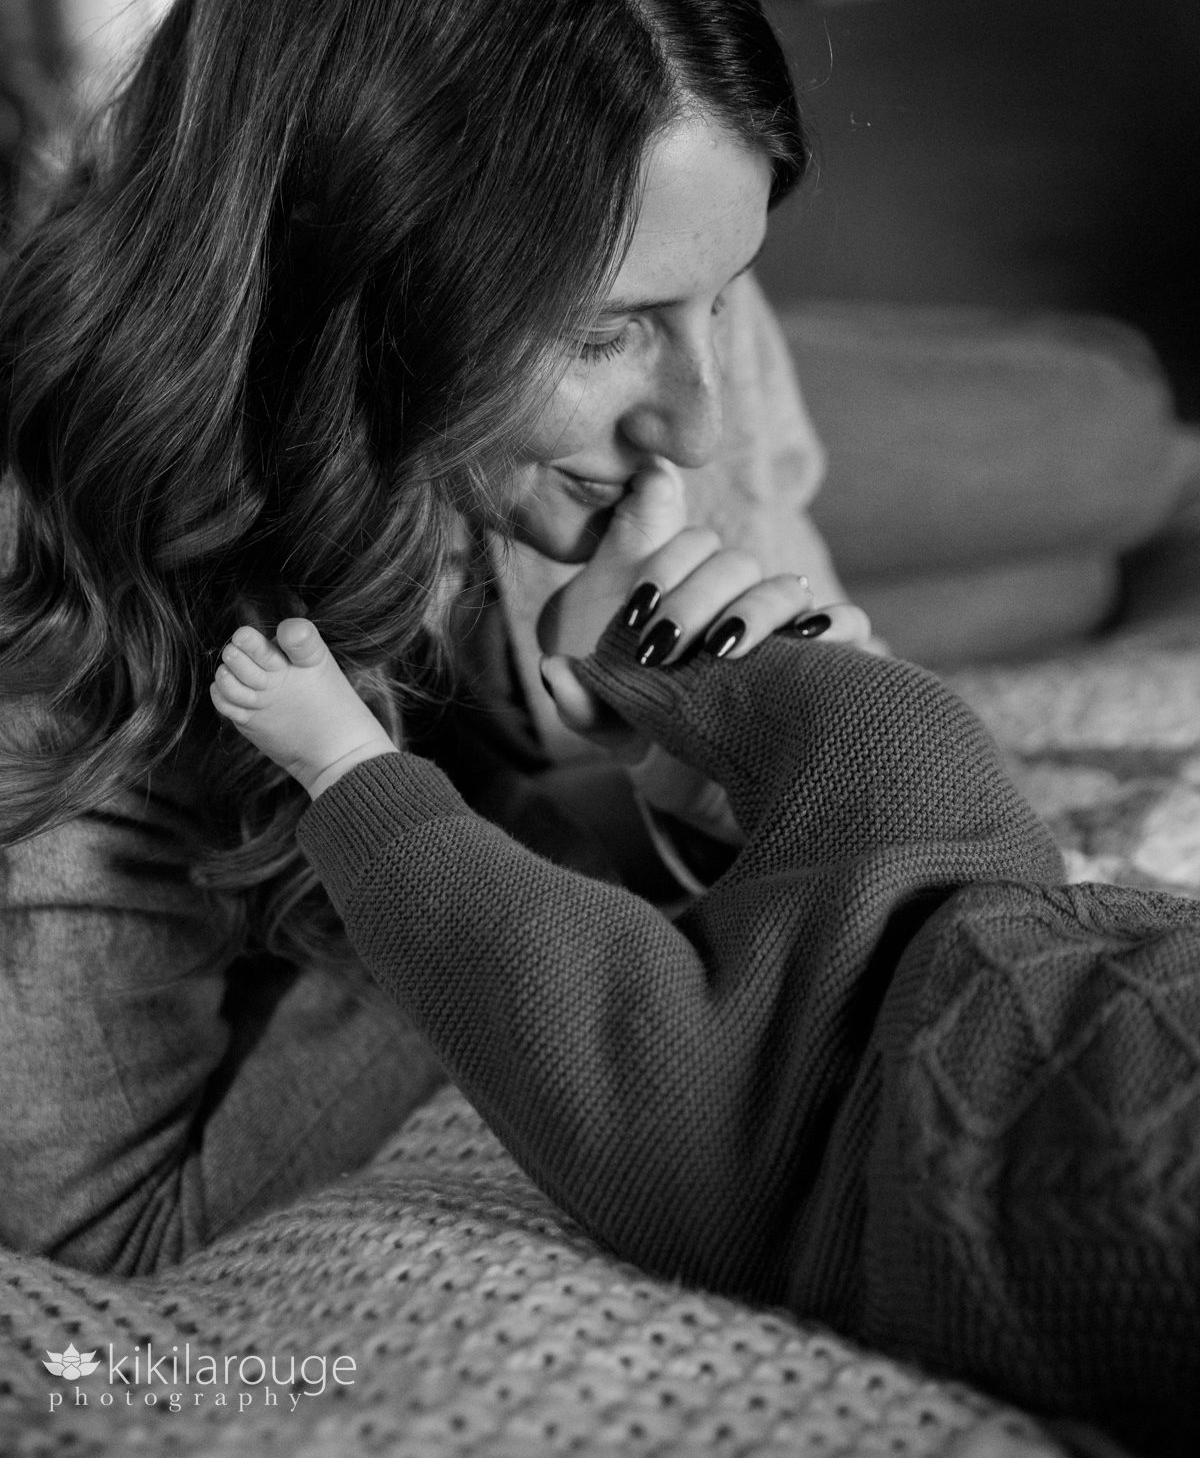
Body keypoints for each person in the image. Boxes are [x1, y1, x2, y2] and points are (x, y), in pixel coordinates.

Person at [0, 0, 867, 1276]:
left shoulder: (676, 328)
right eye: (606, 332)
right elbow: (103, 1231)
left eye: (725, 289)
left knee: (1096, 483)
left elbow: (856, 803)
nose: (695, 421)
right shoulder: (78, 572)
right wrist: (526, 844)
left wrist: (728, 756)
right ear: (361, 295)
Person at [211, 613, 1200, 1458]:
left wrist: (345, 768)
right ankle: (638, 654)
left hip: (802, 1150)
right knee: (905, 727)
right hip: (990, 900)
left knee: (543, 982)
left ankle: (346, 763)